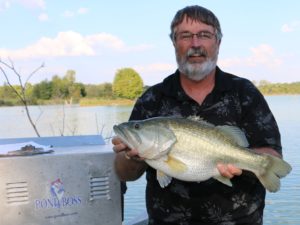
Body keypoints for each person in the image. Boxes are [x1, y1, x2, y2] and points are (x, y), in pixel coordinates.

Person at [113, 5, 282, 225]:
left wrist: (245, 161)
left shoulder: (244, 92)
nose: (195, 44)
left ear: (218, 42)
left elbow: (274, 155)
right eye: (185, 36)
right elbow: (124, 174)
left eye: (204, 35)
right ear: (174, 43)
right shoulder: (152, 98)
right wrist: (130, 157)